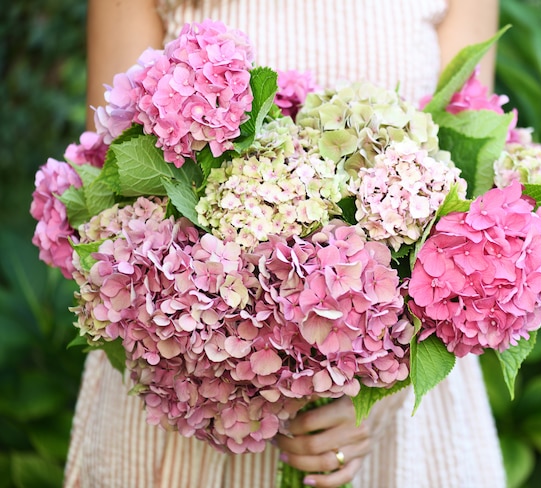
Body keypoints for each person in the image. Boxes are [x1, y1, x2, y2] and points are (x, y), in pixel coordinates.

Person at [65, 1, 505, 486]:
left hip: (395, 406)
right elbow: (114, 179)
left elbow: (471, 178)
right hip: (196, 391)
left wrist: (380, 393)